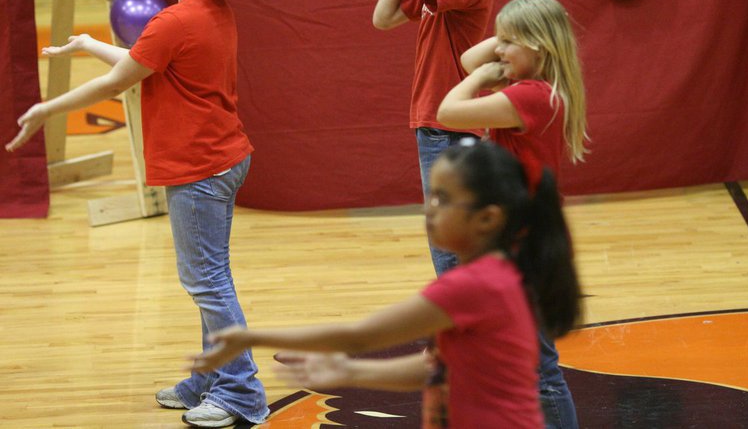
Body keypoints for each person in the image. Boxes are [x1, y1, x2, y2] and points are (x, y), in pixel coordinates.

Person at [6, 0, 267, 428]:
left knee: (208, 283)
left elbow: (117, 82)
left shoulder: (176, 19)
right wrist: (86, 44)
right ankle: (210, 379)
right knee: (208, 280)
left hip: (201, 168)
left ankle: (241, 393)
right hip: (222, 160)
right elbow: (144, 60)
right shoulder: (210, 9)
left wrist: (44, 108)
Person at [188, 141, 582, 429]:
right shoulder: (499, 273)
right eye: (431, 195)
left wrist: (249, 336)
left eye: (443, 199)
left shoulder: (473, 287)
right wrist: (349, 373)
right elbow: (439, 369)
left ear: (487, 219)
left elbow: (359, 335)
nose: (429, 208)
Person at [437, 0, 588, 428]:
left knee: (540, 371)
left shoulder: (530, 97)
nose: (498, 50)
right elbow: (469, 59)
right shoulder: (539, 88)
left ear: (539, 47)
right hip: (528, 239)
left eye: (509, 42)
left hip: (528, 246)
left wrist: (487, 72)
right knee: (529, 364)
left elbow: (449, 110)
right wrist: (507, 38)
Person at [372, 0, 494, 277]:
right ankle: (467, 322)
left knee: (447, 236)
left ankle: (460, 325)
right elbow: (383, 18)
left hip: (450, 126)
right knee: (451, 232)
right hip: (437, 123)